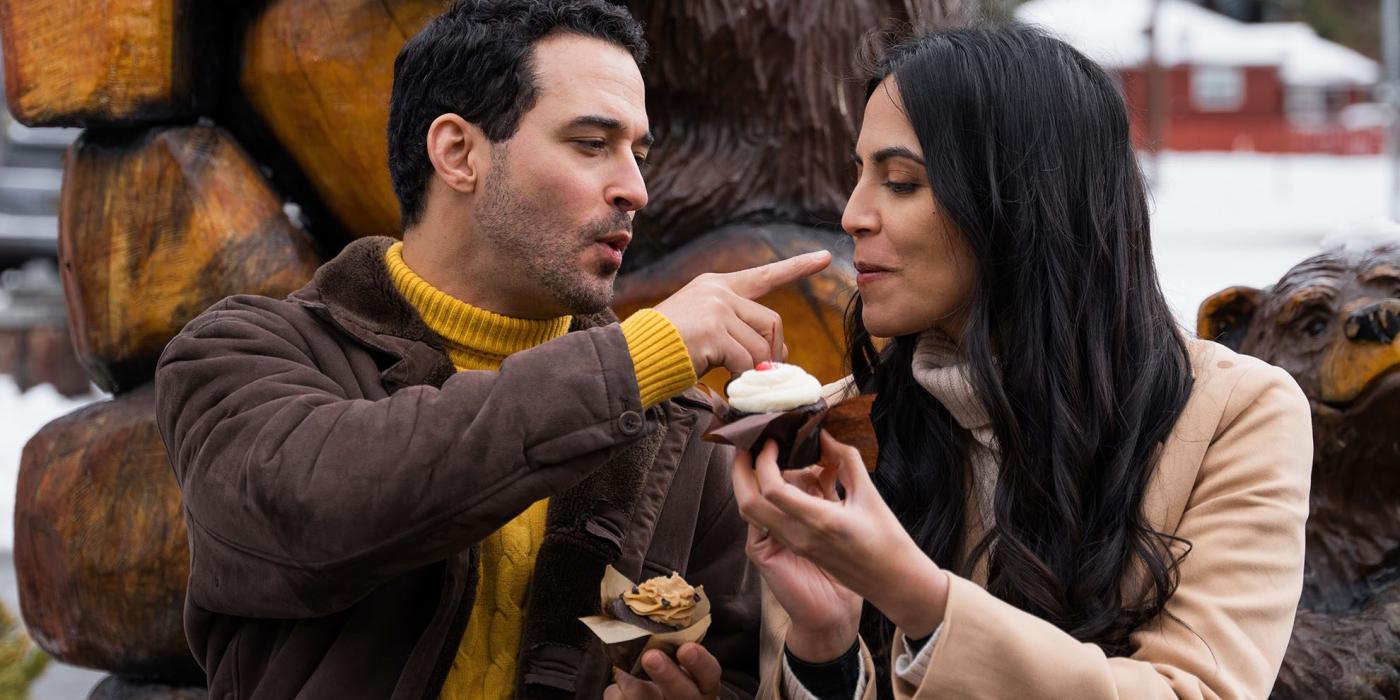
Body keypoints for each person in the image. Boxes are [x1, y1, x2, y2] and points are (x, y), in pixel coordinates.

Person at [154, 1, 832, 697]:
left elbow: (731, 660)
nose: (636, 188)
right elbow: (314, 511)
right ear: (457, 153)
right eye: (592, 143)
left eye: (639, 152)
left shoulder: (683, 426)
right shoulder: (240, 353)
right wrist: (636, 360)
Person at [733, 24, 1312, 699]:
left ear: (1020, 200)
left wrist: (918, 597)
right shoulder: (837, 427)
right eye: (859, 175)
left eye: (900, 182)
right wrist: (825, 648)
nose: (854, 214)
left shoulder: (1234, 413)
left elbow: (1197, 690)